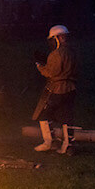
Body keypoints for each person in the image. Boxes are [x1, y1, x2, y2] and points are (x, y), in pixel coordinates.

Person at [32, 25, 78, 154]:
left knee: (43, 114)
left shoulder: (56, 54)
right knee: (66, 116)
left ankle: (49, 142)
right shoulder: (72, 52)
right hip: (71, 89)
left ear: (56, 38)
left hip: (58, 89)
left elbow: (51, 72)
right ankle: (68, 146)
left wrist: (39, 66)